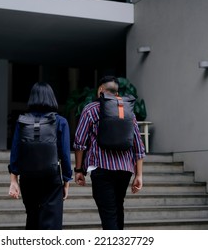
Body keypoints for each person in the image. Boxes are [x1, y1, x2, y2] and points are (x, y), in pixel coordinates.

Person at [73, 75, 145, 230]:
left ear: (100, 90)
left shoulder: (91, 109)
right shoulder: (127, 111)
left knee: (108, 213)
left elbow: (79, 142)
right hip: (124, 169)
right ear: (117, 92)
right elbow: (138, 144)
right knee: (118, 208)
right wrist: (139, 175)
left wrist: (79, 170)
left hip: (101, 168)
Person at [8, 82, 72, 230]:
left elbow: (15, 151)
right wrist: (66, 180)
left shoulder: (22, 121)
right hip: (51, 177)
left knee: (32, 217)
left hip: (27, 178)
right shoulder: (60, 122)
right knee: (52, 222)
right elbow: (65, 155)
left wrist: (13, 180)